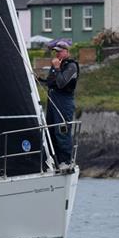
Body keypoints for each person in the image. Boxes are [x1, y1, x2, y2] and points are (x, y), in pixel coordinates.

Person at [45, 40, 78, 168]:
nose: (57, 54)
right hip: (52, 100)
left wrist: (57, 68)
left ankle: (66, 161)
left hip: (64, 101)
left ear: (67, 52)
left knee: (62, 130)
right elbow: (50, 82)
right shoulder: (56, 65)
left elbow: (61, 83)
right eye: (56, 52)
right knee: (51, 130)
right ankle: (55, 160)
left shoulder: (71, 66)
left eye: (60, 51)